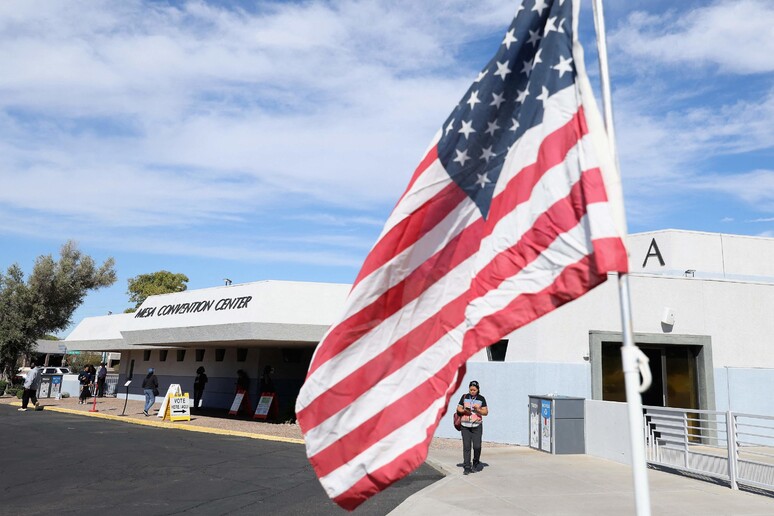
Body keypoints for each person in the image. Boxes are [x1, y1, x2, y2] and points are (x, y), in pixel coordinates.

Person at [457, 380, 488, 475]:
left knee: (477, 446)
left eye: (474, 390)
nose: (472, 391)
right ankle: (467, 466)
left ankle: (476, 460)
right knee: (467, 447)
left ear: (478, 390)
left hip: (477, 426)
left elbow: (486, 412)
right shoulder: (464, 397)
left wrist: (478, 409)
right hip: (465, 426)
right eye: (471, 389)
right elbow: (458, 408)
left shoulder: (481, 398)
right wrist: (464, 411)